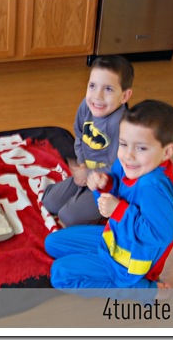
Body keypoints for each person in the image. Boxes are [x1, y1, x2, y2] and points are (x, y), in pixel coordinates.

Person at [44, 99, 173, 300]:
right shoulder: (127, 164)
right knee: (52, 243)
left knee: (59, 275)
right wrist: (104, 184)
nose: (128, 155)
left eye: (141, 148)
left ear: (167, 152)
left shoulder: (154, 187)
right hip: (114, 237)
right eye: (124, 144)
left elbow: (158, 235)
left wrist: (118, 210)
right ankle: (98, 261)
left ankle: (143, 290)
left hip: (129, 261)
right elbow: (114, 194)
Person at [41, 55, 134, 227]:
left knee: (67, 217)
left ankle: (102, 215)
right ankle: (78, 194)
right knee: (49, 201)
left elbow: (118, 167)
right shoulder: (86, 105)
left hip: (109, 185)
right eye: (92, 86)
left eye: (108, 89)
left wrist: (90, 174)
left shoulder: (122, 126)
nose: (97, 96)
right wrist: (82, 165)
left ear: (124, 96)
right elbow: (79, 134)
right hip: (89, 172)